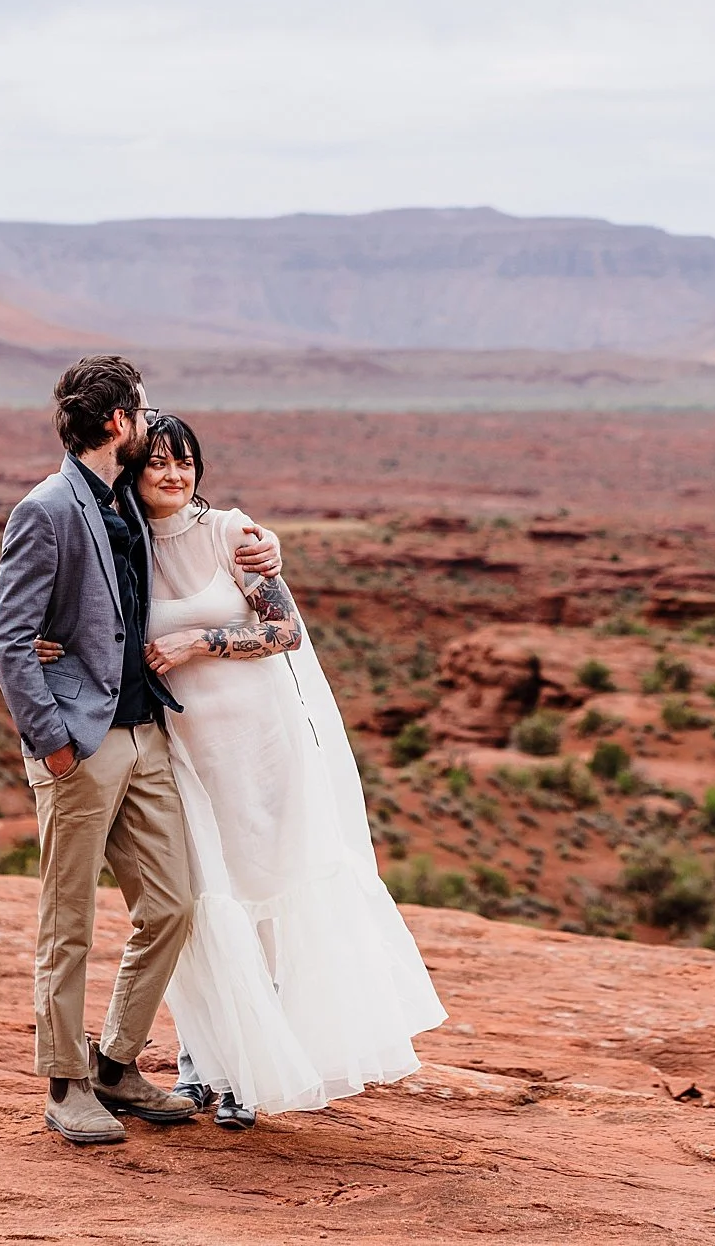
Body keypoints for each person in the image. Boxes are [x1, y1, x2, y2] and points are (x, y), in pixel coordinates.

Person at [36, 414, 444, 1128]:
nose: (173, 474)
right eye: (158, 462)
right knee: (206, 905)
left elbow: (284, 631)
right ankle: (206, 1064)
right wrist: (52, 644)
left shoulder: (233, 533)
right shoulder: (122, 538)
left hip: (262, 748)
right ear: (132, 468)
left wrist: (200, 642)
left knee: (267, 899)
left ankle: (256, 1074)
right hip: (185, 755)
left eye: (185, 462)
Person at [0, 354, 281, 1146]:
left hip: (146, 732)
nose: (151, 423)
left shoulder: (122, 499)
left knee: (172, 903)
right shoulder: (46, 509)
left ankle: (116, 1062)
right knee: (69, 918)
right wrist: (51, 744)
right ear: (117, 422)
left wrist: (265, 549)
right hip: (80, 746)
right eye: (143, 411)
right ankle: (63, 1082)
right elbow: (8, 638)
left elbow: (201, 528)